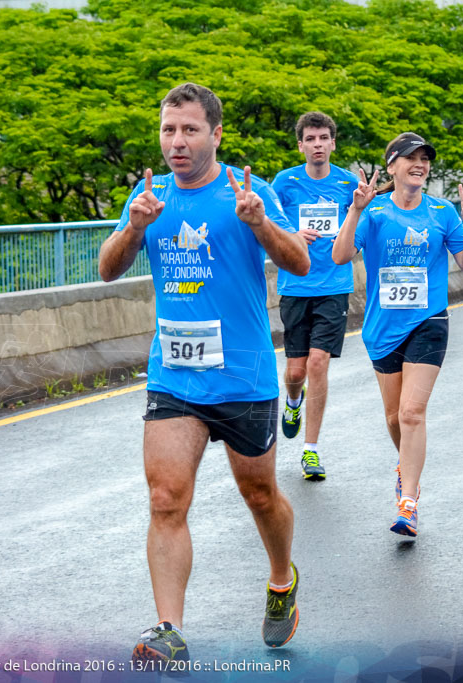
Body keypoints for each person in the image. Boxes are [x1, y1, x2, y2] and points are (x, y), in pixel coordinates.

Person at [98, 83, 309, 663]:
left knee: (260, 494)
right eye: (169, 130)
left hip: (243, 377)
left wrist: (261, 224)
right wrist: (134, 228)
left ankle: (281, 580)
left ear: (215, 134)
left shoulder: (248, 193)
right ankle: (168, 627)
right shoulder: (149, 197)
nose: (177, 141)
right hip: (175, 378)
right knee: (166, 498)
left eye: (190, 130)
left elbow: (299, 260)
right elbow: (108, 268)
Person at [331, 132, 463, 538]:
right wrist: (354, 212)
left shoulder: (442, 211)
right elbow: (341, 256)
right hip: (382, 328)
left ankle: (409, 502)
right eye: (411, 158)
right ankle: (406, 466)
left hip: (429, 321)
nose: (420, 164)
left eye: (425, 159)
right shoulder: (375, 211)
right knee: (395, 416)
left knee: (413, 413)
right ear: (393, 165)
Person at [272, 112, 357, 479]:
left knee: (318, 363)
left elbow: (357, 226)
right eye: (311, 138)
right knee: (295, 371)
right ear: (301, 145)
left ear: (333, 143)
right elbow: (269, 225)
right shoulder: (284, 182)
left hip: (334, 286)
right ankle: (293, 401)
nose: (318, 144)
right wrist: (294, 235)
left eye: (324, 138)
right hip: (295, 284)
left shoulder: (348, 183)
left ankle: (311, 450)